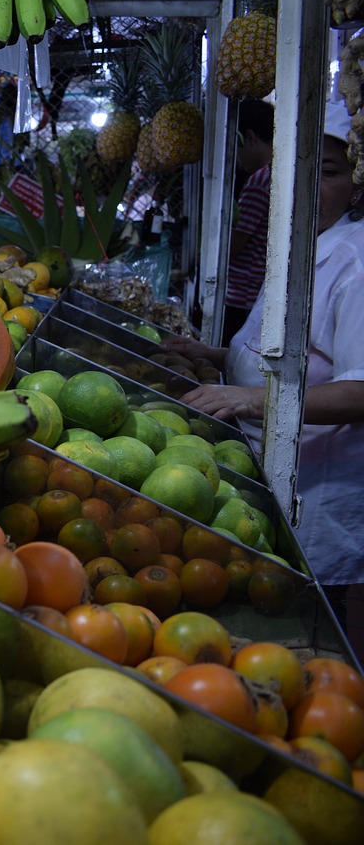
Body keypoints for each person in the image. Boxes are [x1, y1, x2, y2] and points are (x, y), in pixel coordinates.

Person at [162, 98, 364, 643]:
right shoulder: (303, 244)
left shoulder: (356, 261)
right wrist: (220, 357)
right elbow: (289, 352)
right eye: (299, 169)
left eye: (328, 173)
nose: (307, 186)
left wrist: (251, 401)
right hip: (266, 469)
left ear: (359, 183)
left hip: (318, 491)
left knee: (320, 635)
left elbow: (360, 391)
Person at [222, 100, 275, 344]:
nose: (236, 157)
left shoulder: (258, 181)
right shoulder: (279, 175)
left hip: (241, 296)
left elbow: (236, 244)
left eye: (236, 146)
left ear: (250, 138)